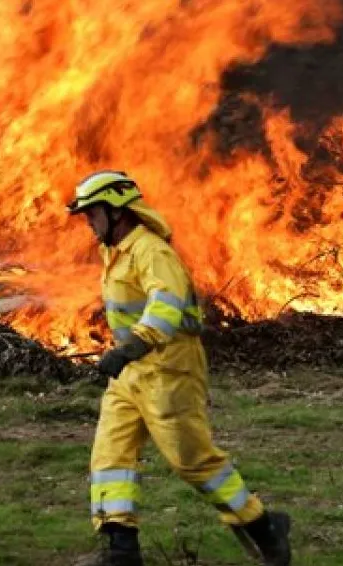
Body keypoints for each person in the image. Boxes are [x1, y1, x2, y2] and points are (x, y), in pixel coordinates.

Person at [66, 171, 292, 566]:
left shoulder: (152, 252)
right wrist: (127, 353)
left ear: (117, 211)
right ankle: (121, 550)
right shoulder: (115, 250)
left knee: (193, 460)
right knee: (109, 455)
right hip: (132, 372)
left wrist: (134, 344)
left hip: (170, 370)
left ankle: (262, 525)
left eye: (92, 212)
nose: (87, 221)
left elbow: (165, 303)